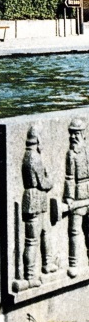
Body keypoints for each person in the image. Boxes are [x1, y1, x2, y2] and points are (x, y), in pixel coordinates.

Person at [13, 126, 56, 292]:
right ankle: (30, 276)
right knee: (32, 240)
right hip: (34, 199)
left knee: (45, 231)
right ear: (37, 141)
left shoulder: (28, 156)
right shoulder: (34, 158)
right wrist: (50, 178)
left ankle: (47, 263)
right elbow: (43, 183)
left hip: (36, 200)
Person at [64, 117, 89, 278]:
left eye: (76, 134)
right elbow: (69, 177)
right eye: (71, 134)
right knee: (74, 230)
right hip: (78, 196)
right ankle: (73, 264)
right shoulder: (71, 154)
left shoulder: (87, 151)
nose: (73, 137)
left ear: (83, 134)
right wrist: (69, 196)